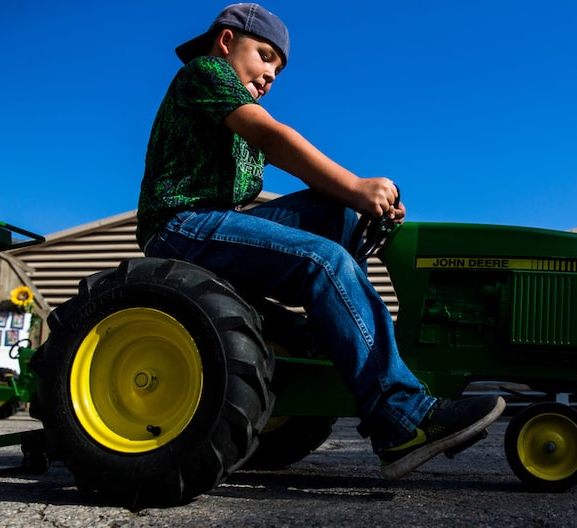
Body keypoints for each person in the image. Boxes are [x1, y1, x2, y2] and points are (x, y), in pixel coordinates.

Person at [135, 3, 505, 480]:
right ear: (227, 42)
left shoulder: (232, 103)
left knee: (340, 214)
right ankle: (400, 417)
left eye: (278, 68)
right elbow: (273, 137)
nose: (270, 74)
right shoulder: (204, 73)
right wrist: (354, 184)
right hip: (179, 227)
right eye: (264, 56)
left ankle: (333, 341)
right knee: (322, 259)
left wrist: (367, 204)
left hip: (217, 221)